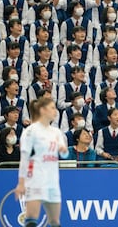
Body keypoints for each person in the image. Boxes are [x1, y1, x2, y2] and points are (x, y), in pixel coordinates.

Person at [15, 97, 69, 227]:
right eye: (52, 108)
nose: (55, 111)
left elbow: (65, 154)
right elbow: (24, 159)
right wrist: (21, 183)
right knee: (32, 218)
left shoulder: (56, 132)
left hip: (53, 181)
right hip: (35, 180)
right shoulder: (31, 131)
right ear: (43, 110)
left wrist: (63, 150)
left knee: (55, 221)